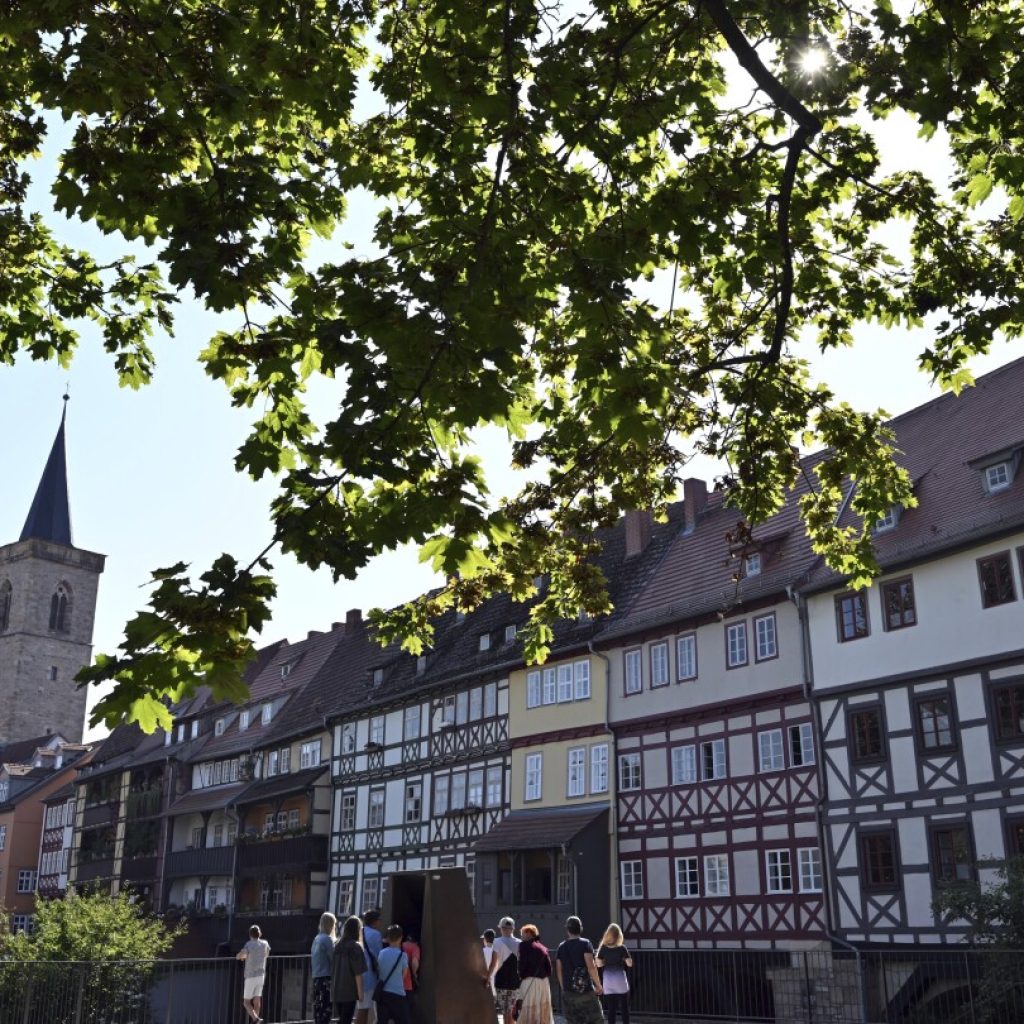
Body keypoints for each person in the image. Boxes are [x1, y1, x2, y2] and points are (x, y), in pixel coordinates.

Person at [555, 916, 604, 1024]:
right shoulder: (585, 943)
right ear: (580, 928)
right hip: (585, 990)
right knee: (596, 1020)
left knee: (573, 1021)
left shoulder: (561, 947)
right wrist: (598, 985)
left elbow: (559, 969)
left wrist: (564, 987)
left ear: (567, 930)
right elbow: (591, 967)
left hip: (568, 991)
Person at [516, 923, 554, 1024]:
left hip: (529, 981)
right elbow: (549, 969)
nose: (521, 936)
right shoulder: (543, 948)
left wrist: (521, 976)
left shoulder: (523, 946)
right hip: (544, 983)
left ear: (528, 933)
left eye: (522, 934)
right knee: (542, 1011)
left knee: (528, 1011)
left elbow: (521, 965)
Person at [332, 915, 367, 1024]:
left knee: (342, 1019)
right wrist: (361, 994)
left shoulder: (337, 945)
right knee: (346, 1019)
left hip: (336, 989)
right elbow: (358, 973)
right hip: (349, 991)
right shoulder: (355, 947)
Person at [595, 924, 633, 1024]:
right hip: (620, 980)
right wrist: (624, 959)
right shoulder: (622, 948)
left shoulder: (603, 948)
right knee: (624, 1008)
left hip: (608, 981)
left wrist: (606, 962)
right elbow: (629, 964)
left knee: (611, 1009)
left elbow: (598, 964)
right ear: (618, 935)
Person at [375, 924, 411, 1024]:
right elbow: (403, 975)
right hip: (398, 994)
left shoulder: (381, 953)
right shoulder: (403, 955)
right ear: (400, 938)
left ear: (388, 938)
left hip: (383, 994)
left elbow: (379, 970)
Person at [488, 916, 520, 1023]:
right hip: (515, 980)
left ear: (500, 928)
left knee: (505, 1010)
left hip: (501, 980)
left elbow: (493, 962)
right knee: (511, 1009)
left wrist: (488, 977)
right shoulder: (519, 943)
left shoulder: (496, 942)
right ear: (513, 928)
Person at [236, 924, 271, 1024]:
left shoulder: (249, 944)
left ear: (250, 934)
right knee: (257, 999)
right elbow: (267, 954)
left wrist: (239, 956)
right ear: (259, 934)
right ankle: (255, 1021)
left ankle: (256, 1019)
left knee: (246, 1002)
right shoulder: (265, 943)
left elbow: (241, 955)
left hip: (251, 976)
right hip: (261, 975)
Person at [357, 909, 384, 1024]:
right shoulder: (376, 934)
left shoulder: (359, 931)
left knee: (362, 1008)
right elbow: (379, 955)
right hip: (370, 975)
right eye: (379, 920)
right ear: (374, 921)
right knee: (365, 1009)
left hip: (358, 973)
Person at [311, 912, 337, 1024]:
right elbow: (333, 959)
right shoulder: (327, 939)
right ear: (331, 925)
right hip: (326, 978)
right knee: (326, 1010)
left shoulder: (317, 938)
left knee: (318, 1010)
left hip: (316, 978)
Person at [400, 928, 421, 1000]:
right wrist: (414, 974)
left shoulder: (400, 945)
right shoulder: (415, 947)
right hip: (407, 981)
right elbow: (414, 961)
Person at [481, 929, 496, 995]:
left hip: (485, 982)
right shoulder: (497, 950)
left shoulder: (482, 951)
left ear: (485, 939)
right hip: (497, 982)